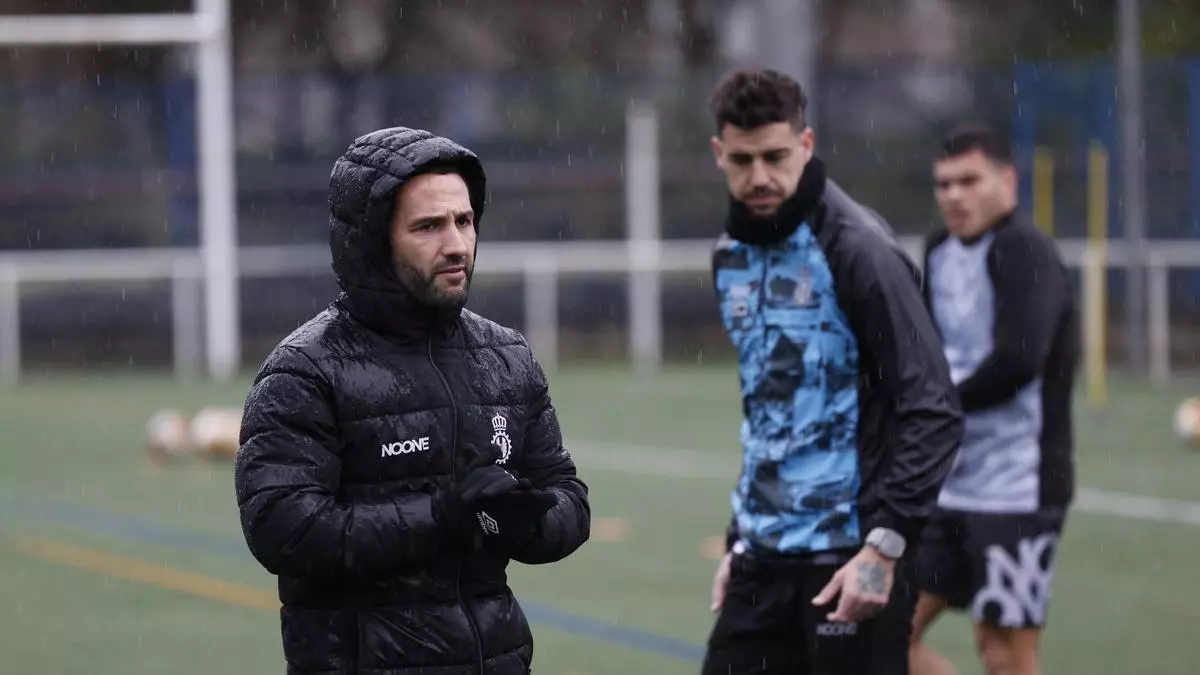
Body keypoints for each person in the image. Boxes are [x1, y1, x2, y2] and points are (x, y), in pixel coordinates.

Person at [233, 127, 591, 675]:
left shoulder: (507, 357)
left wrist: (526, 519)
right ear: (373, 242)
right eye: (428, 226)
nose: (456, 245)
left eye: (464, 221)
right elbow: (285, 529)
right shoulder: (304, 370)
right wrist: (440, 515)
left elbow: (569, 498)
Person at [702, 68, 965, 675]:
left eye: (775, 156)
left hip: (851, 556)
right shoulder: (729, 255)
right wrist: (740, 538)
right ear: (719, 153)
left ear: (807, 144)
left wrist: (885, 546)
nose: (759, 176)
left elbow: (933, 408)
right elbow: (771, 408)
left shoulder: (859, 251)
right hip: (761, 558)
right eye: (742, 160)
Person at [908, 124, 1079, 675]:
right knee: (884, 636)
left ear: (1008, 181)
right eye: (943, 184)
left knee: (1004, 655)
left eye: (969, 181)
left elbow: (1019, 360)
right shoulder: (938, 250)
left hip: (1016, 488)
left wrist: (938, 406)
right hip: (948, 484)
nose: (953, 196)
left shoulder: (1025, 250)